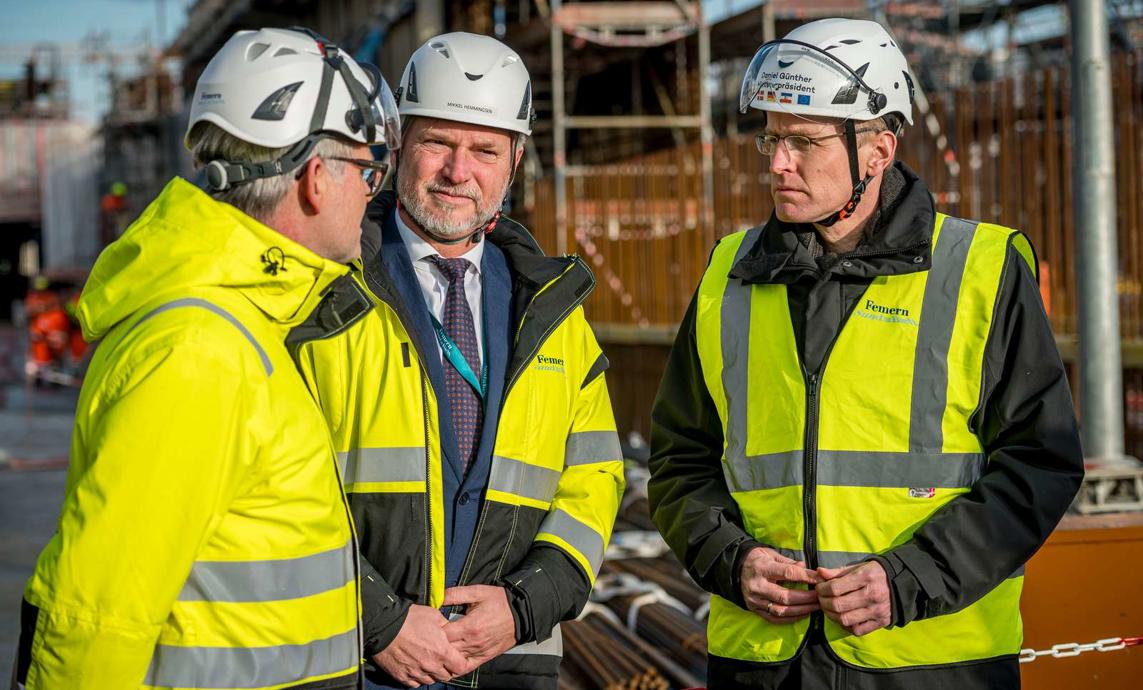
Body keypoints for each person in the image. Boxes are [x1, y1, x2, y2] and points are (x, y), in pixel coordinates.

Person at [647, 18, 1083, 690]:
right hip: (765, 664)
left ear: (878, 149)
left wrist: (907, 579)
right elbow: (680, 459)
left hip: (932, 662)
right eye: (769, 137)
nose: (776, 163)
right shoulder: (727, 276)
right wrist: (731, 561)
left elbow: (1039, 464)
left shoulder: (980, 268)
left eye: (803, 141)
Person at [12, 27, 400, 689]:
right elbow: (99, 610)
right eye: (368, 171)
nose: (372, 194)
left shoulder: (242, 322)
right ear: (314, 179)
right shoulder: (200, 351)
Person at [291, 32, 624, 690]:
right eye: (438, 143)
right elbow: (274, 490)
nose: (457, 171)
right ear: (398, 147)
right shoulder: (325, 292)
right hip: (352, 660)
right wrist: (380, 621)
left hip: (509, 662)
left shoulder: (553, 312)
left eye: (484, 150)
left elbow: (594, 481)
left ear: (515, 161)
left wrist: (523, 605)